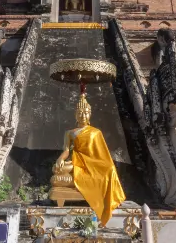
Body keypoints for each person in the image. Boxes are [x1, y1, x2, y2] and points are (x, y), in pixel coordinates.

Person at [53, 92, 126, 226]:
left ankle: (113, 198)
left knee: (110, 169)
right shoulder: (69, 132)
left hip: (95, 162)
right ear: (75, 114)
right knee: (58, 169)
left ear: (90, 114)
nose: (83, 116)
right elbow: (66, 151)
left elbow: (102, 154)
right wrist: (60, 159)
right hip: (78, 161)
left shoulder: (96, 132)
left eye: (86, 113)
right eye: (80, 113)